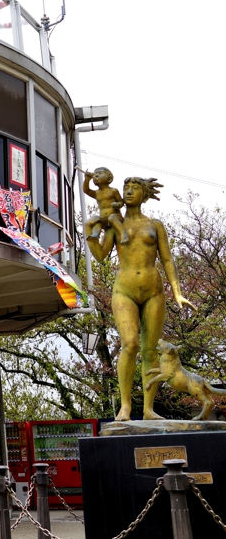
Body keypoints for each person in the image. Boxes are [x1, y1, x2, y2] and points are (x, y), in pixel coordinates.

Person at [87, 177, 196, 420]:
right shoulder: (116, 222)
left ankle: (148, 409)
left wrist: (177, 292)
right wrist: (90, 233)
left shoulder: (155, 225)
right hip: (124, 289)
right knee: (130, 344)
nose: (128, 191)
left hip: (153, 290)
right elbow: (102, 255)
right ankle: (125, 406)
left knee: (149, 350)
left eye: (134, 188)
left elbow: (167, 259)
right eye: (126, 188)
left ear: (144, 194)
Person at [83, 166, 128, 243]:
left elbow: (121, 202)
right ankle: (95, 234)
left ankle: (124, 234)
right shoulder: (97, 193)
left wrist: (117, 204)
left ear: (109, 177)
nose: (96, 176)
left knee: (112, 217)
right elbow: (86, 190)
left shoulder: (113, 191)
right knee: (97, 220)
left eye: (100, 173)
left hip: (116, 217)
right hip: (104, 219)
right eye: (95, 174)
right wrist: (87, 179)